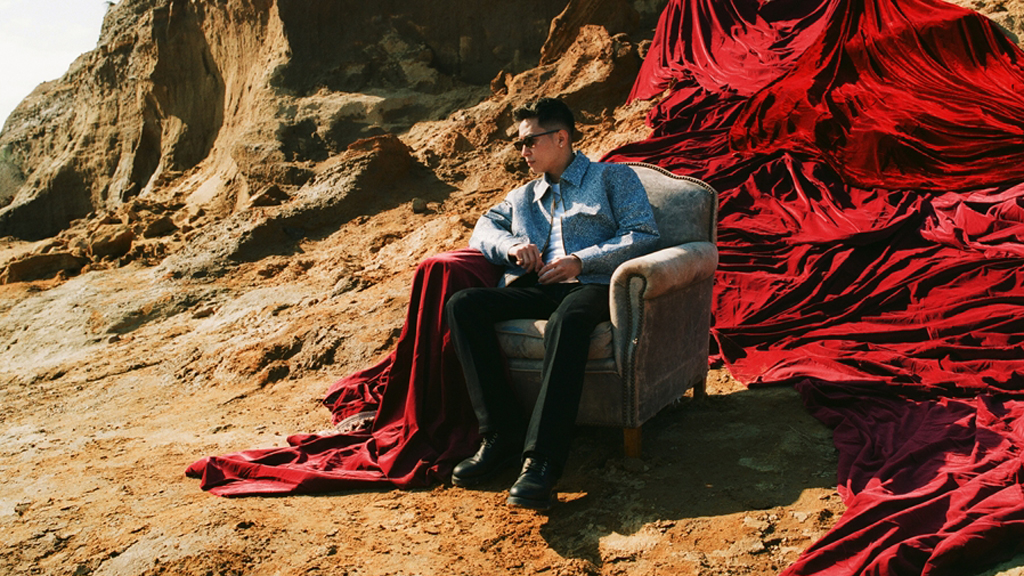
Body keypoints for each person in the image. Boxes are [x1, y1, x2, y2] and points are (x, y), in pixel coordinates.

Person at [445, 97, 660, 510]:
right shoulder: (524, 196)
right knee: (464, 305)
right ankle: (501, 434)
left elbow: (643, 233)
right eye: (519, 144)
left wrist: (581, 260)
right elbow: (483, 228)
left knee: (568, 320)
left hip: (593, 286)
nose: (522, 151)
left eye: (530, 141)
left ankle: (542, 460)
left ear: (561, 138)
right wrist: (512, 246)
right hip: (540, 286)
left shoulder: (614, 177)